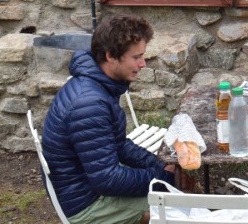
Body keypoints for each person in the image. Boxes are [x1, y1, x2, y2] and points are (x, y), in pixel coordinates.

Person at [41, 15, 176, 224]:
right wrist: (164, 179)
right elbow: (109, 180)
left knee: (173, 189)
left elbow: (118, 144)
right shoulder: (89, 104)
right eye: (136, 57)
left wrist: (159, 165)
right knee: (179, 203)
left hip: (85, 191)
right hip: (87, 206)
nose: (143, 64)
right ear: (111, 56)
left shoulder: (98, 85)